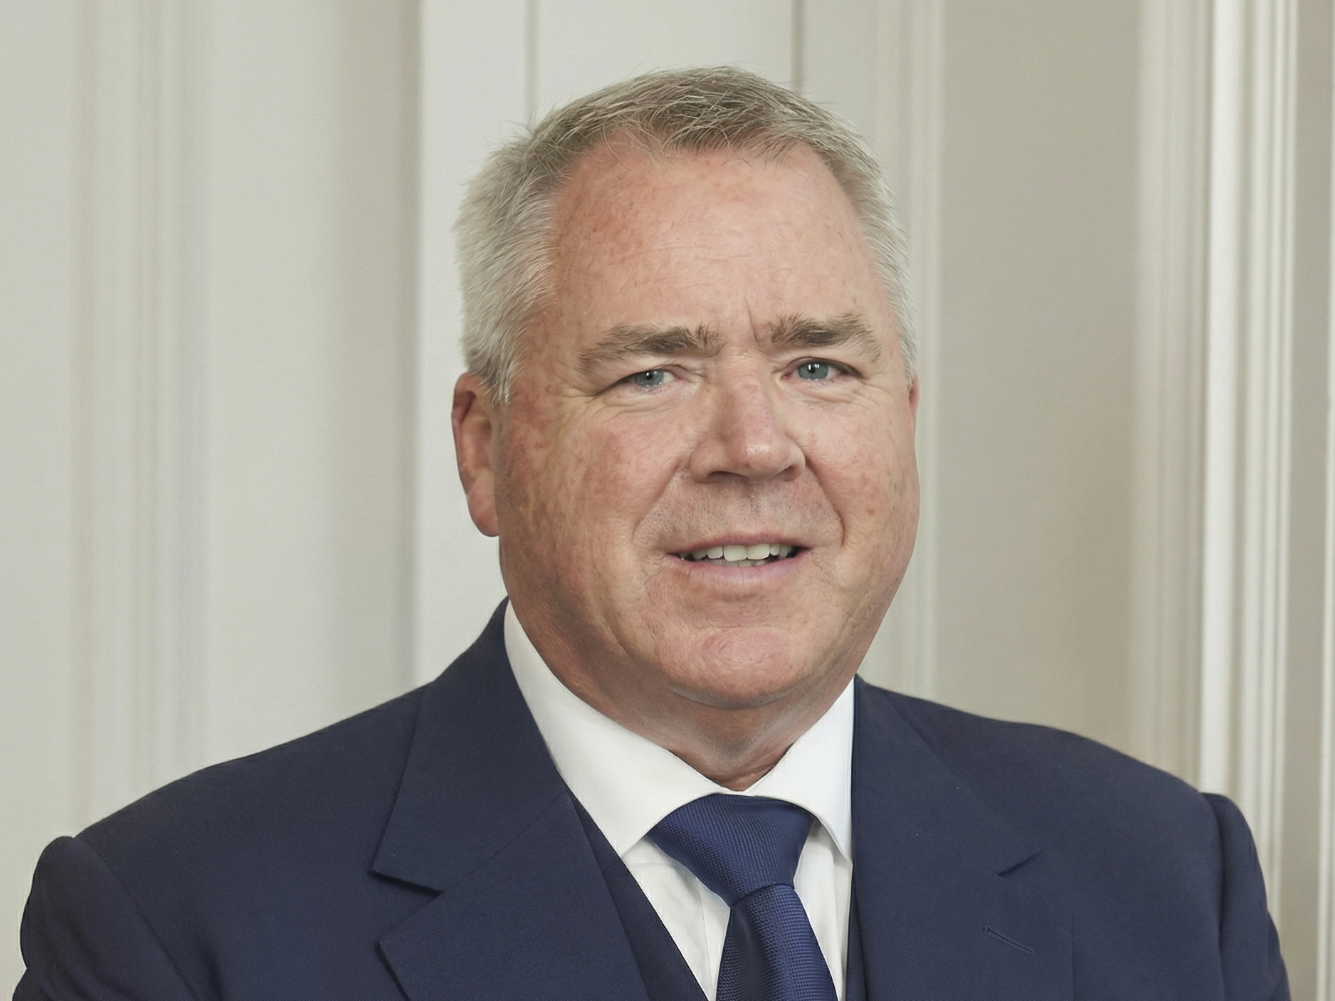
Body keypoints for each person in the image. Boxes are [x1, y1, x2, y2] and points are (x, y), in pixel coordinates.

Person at [16, 67, 1287, 1001]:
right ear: (485, 447)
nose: (754, 444)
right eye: (652, 374)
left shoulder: (1171, 880)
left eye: (819, 365)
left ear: (905, 417)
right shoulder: (171, 930)